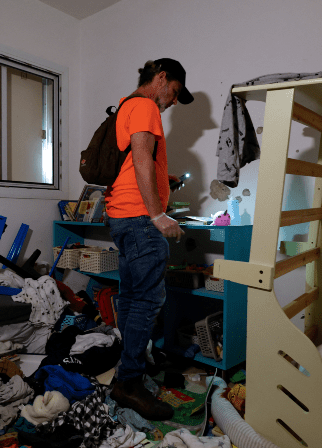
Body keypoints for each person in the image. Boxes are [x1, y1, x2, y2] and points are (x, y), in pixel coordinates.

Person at [105, 58, 194, 420]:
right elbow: (141, 156)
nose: (173, 101)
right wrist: (158, 214)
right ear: (160, 78)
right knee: (147, 301)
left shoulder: (126, 105)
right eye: (173, 92)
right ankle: (128, 382)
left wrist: (164, 178)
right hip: (141, 219)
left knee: (130, 297)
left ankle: (132, 361)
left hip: (122, 216)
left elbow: (136, 162)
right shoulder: (144, 106)